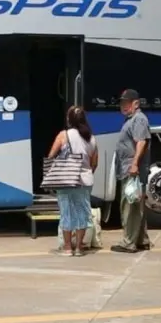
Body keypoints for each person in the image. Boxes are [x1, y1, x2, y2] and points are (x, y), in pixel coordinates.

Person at [47, 106, 98, 256]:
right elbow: (94, 162)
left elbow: (51, 156)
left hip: (66, 180)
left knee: (66, 213)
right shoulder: (92, 138)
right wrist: (86, 172)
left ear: (69, 119)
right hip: (85, 180)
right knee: (83, 213)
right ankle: (79, 248)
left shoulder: (63, 135)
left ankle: (68, 248)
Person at [110, 89, 152, 253]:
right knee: (135, 204)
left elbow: (141, 142)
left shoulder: (139, 119)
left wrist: (135, 164)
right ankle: (141, 240)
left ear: (136, 103)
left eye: (126, 102)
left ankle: (129, 242)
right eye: (122, 102)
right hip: (130, 169)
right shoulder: (132, 119)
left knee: (129, 206)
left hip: (132, 170)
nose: (123, 106)